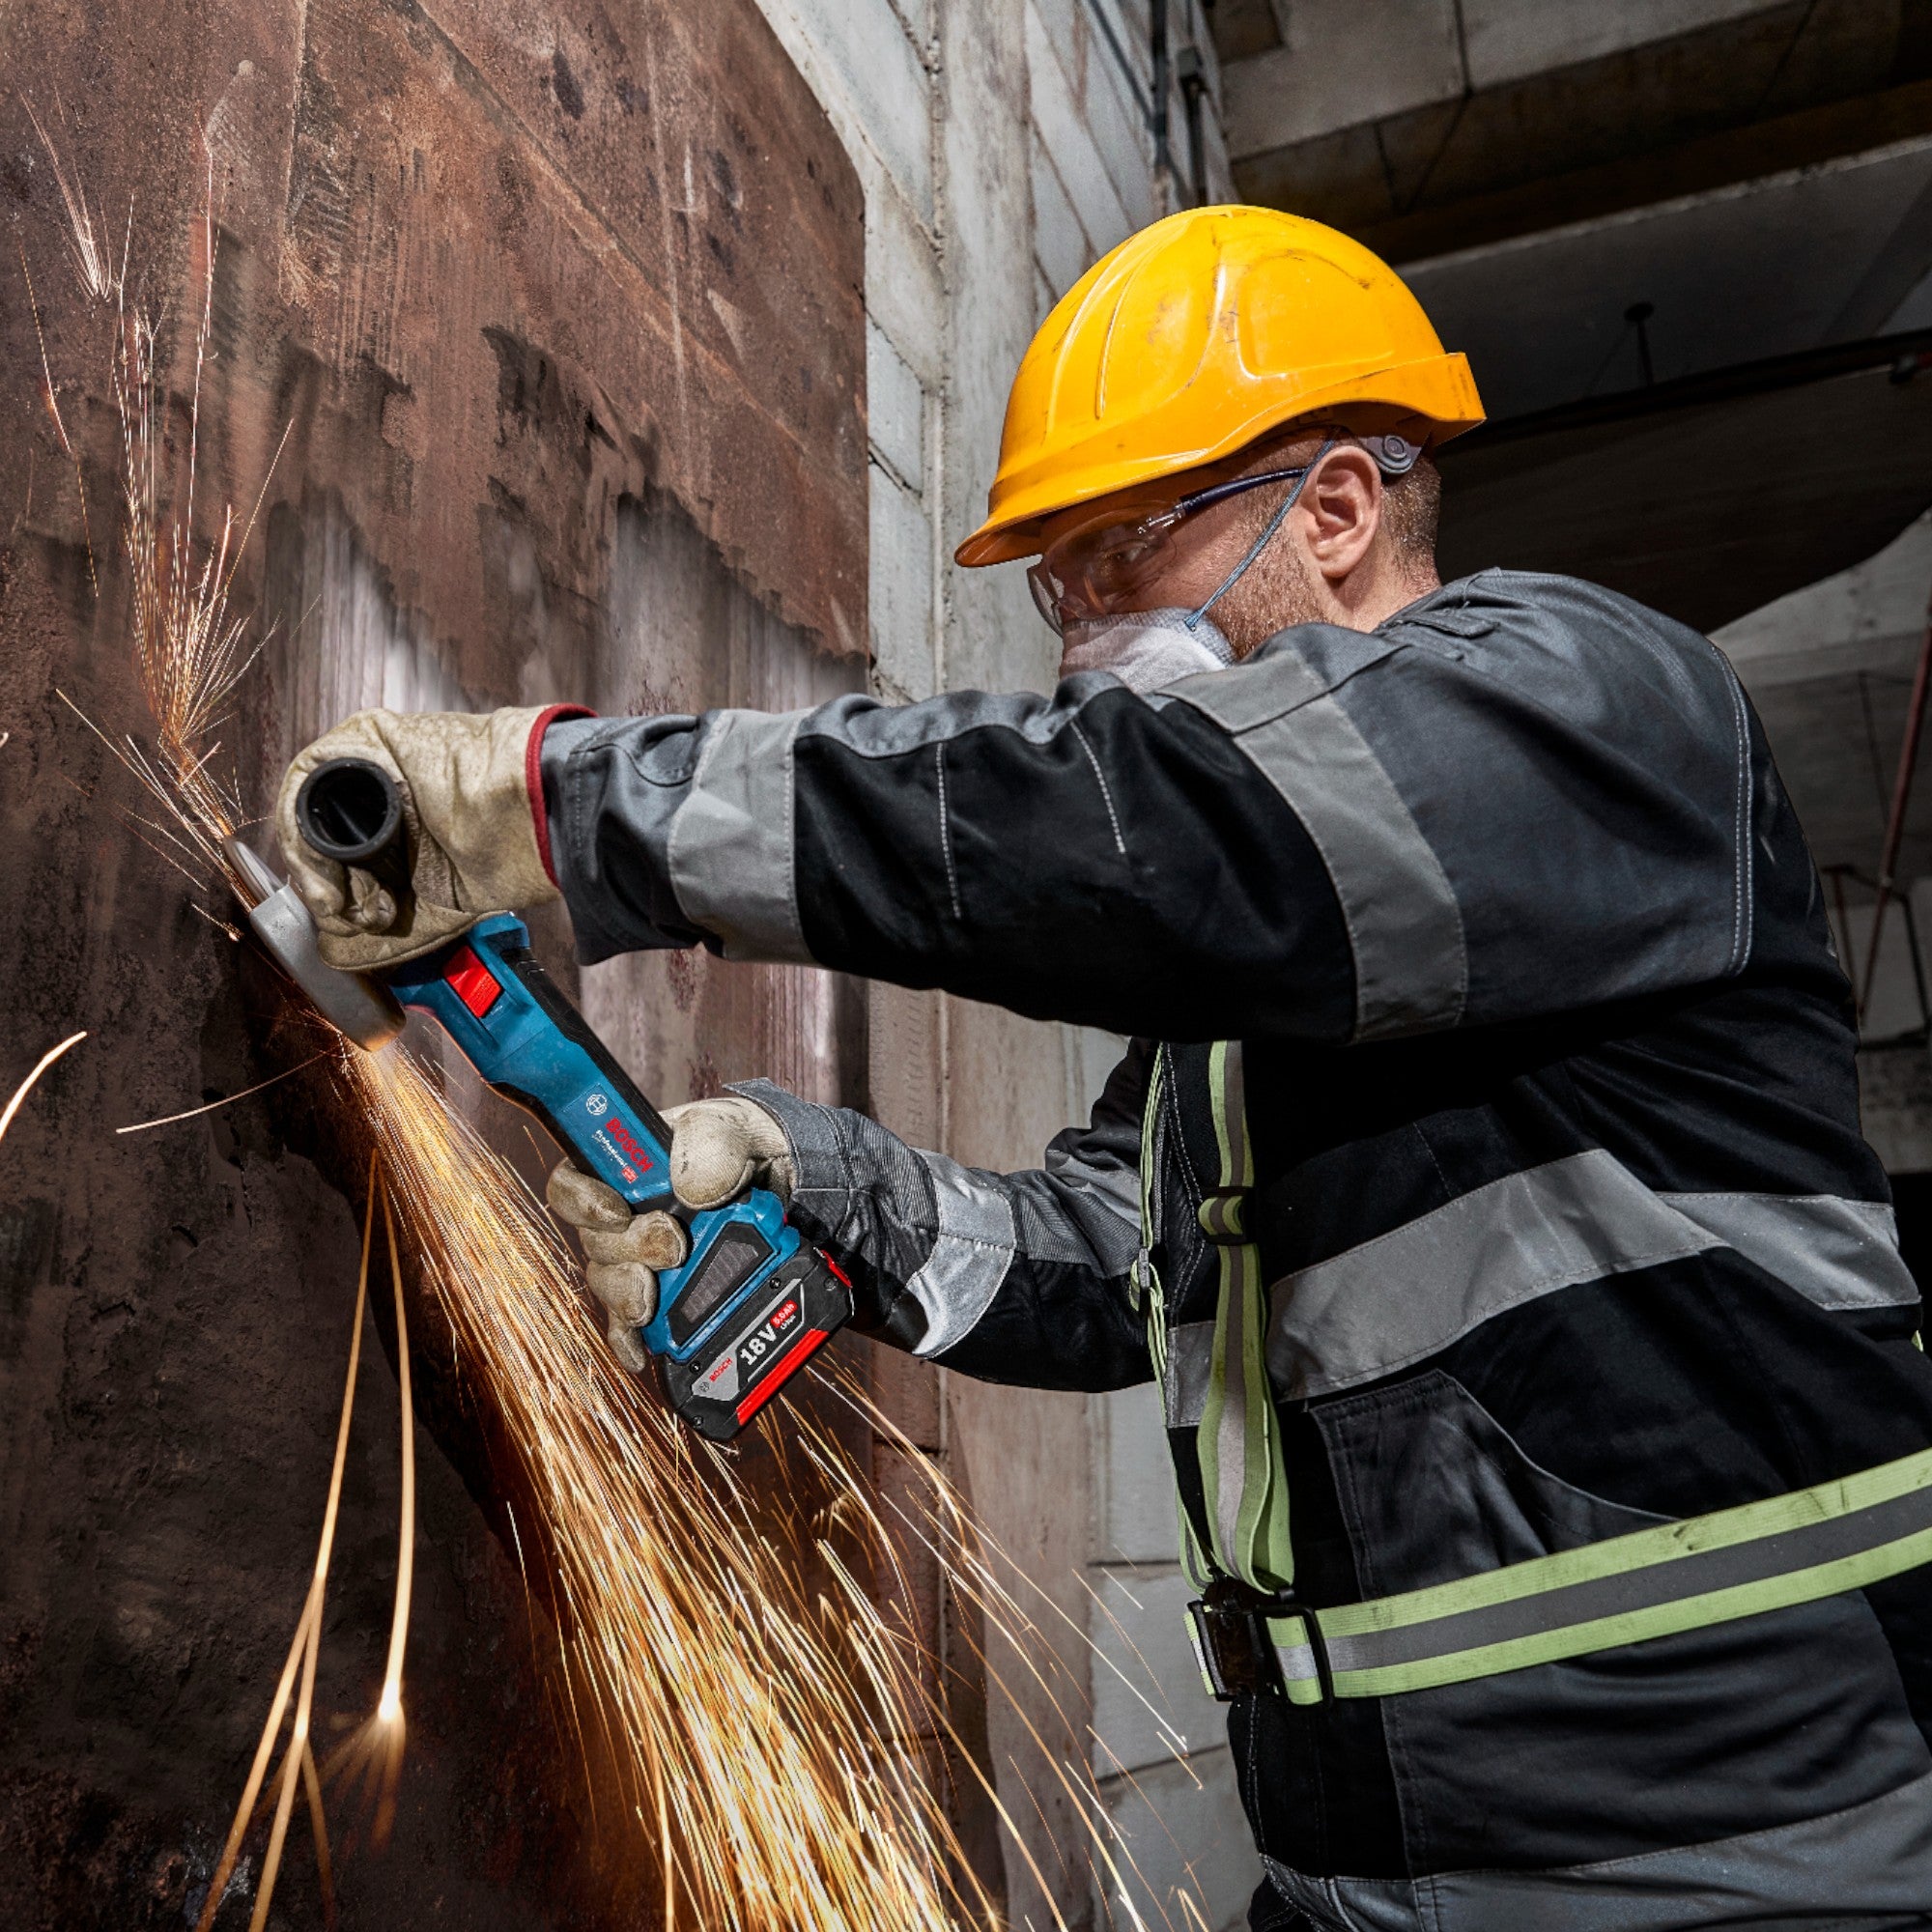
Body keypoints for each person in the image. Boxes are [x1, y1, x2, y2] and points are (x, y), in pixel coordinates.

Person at [277, 208, 1932, 1928]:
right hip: (1372, 1885)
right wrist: (816, 1191)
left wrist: (563, 803)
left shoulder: (1587, 707)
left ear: (1338, 508)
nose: (1081, 631)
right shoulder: (1279, 979)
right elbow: (1117, 1258)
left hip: (1756, 1869)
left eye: (1119, 558)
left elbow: (1134, 821)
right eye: (1056, 584)